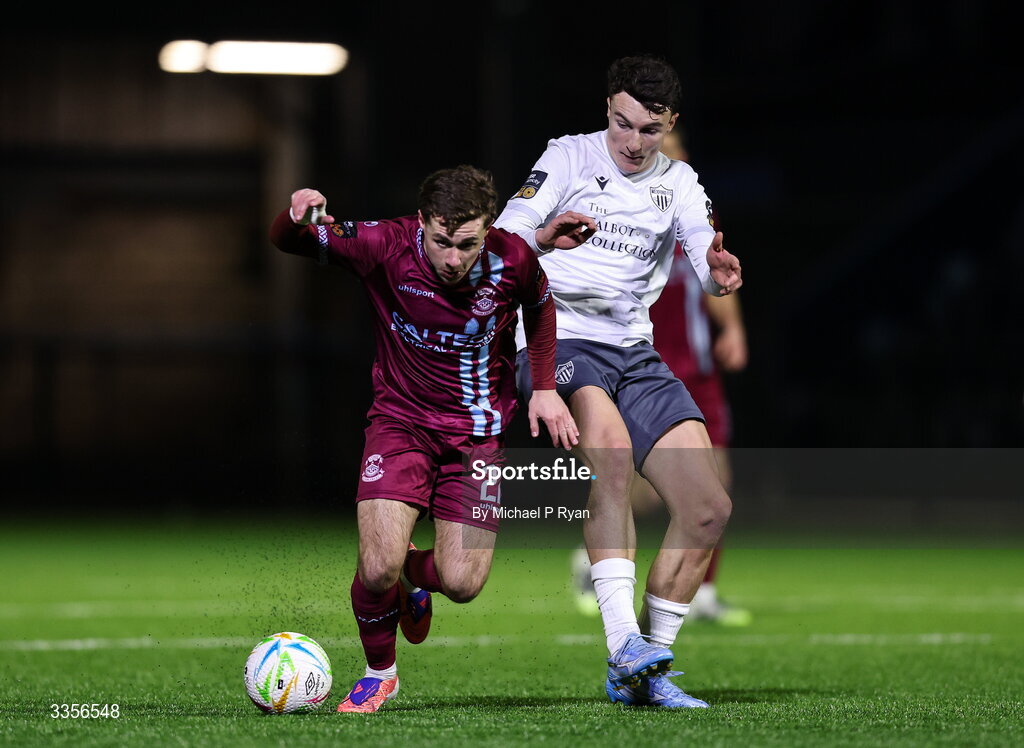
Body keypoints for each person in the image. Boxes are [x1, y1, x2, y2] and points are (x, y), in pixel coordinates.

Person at [270, 165, 590, 713]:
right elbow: (289, 239)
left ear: (487, 230)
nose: (451, 257)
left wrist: (542, 387)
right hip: (401, 423)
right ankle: (380, 673)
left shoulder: (513, 258)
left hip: (478, 440)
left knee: (461, 584)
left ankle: (415, 579)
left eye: (466, 243)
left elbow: (540, 309)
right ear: (422, 222)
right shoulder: (385, 245)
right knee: (375, 569)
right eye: (441, 240)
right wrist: (296, 215)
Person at [495, 55, 742, 708]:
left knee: (708, 508)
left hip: (634, 351)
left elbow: (703, 248)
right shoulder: (568, 158)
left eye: (649, 131)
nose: (634, 143)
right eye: (622, 124)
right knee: (611, 452)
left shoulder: (680, 183)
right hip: (559, 338)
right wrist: (545, 235)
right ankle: (622, 642)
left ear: (671, 124)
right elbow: (505, 235)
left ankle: (644, 670)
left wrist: (718, 269)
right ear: (608, 108)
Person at [572, 128, 752, 627]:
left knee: (717, 486)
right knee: (643, 488)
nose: (680, 156)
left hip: (699, 369)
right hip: (645, 366)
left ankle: (705, 594)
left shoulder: (690, 211)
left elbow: (718, 271)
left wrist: (732, 327)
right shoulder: (624, 213)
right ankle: (594, 560)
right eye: (671, 147)